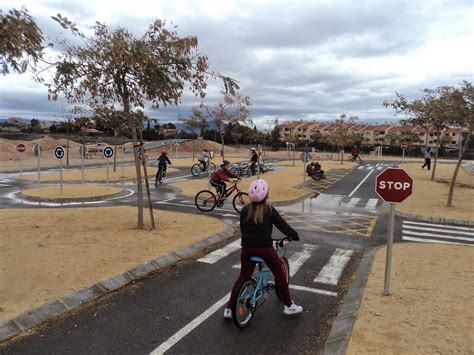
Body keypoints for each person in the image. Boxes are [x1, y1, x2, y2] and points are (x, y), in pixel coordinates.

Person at [223, 179, 303, 319]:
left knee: (243, 276)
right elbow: (283, 226)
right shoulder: (269, 210)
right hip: (265, 249)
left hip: (247, 249)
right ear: (266, 195)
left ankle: (229, 308)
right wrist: (293, 235)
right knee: (279, 275)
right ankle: (289, 306)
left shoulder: (245, 210)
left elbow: (243, 229)